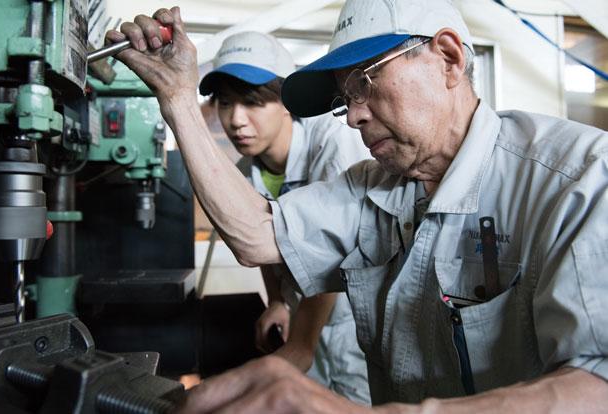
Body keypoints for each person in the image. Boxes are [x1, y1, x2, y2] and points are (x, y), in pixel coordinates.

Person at [107, 0, 608, 412]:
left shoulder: (579, 180)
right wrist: (175, 97)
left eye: (363, 82)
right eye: (346, 98)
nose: (352, 118)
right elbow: (258, 235)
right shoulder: (375, 187)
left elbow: (595, 386)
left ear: (449, 59)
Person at [197, 31, 371, 405]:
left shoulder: (332, 142)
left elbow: (333, 247)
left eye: (251, 102)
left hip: (350, 324)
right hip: (301, 318)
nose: (236, 120)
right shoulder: (246, 171)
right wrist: (277, 300)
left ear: (285, 102)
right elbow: (263, 243)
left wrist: (302, 345)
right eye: (225, 103)